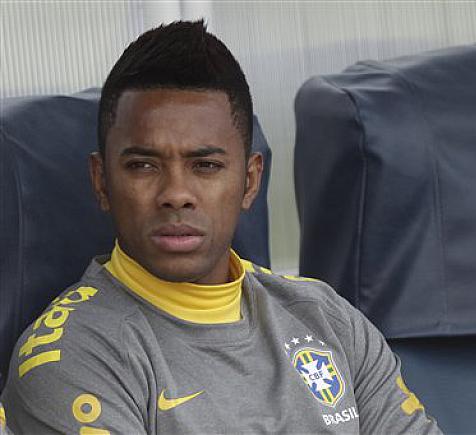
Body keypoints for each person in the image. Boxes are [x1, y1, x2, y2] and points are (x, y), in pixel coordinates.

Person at [1, 20, 441, 434]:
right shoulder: (71, 359)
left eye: (206, 165)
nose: (176, 193)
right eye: (143, 165)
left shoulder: (328, 319)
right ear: (102, 182)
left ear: (249, 182)